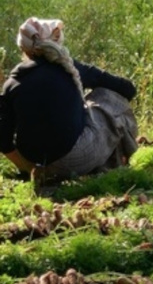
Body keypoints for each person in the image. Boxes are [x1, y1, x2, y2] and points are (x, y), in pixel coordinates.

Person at [0, 17, 138, 182]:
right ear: (55, 41)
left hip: (35, 162)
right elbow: (128, 89)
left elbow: (4, 140)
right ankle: (117, 164)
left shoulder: (12, 83)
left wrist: (29, 167)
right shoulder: (69, 67)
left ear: (23, 48)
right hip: (74, 160)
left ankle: (45, 172)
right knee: (109, 97)